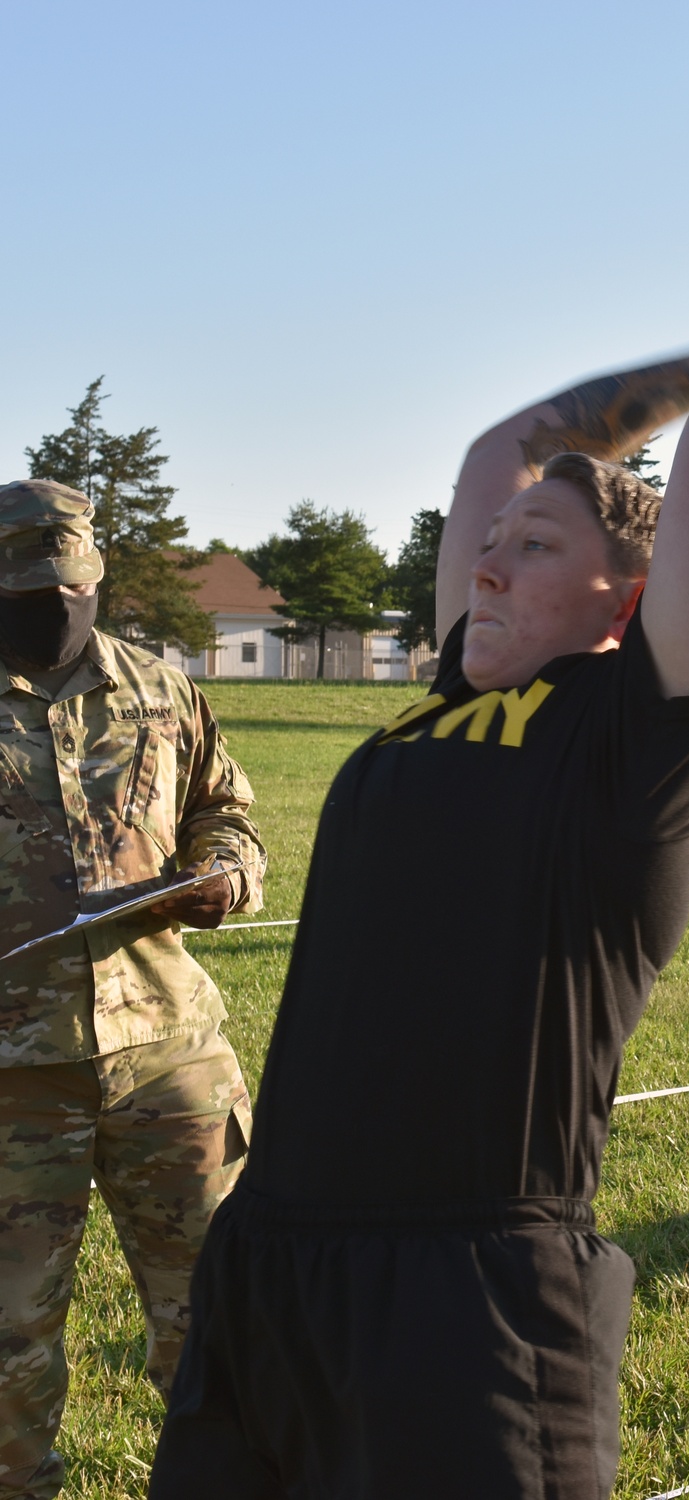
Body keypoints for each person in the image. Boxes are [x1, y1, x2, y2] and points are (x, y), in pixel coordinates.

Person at [149, 298, 689, 1500]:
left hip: (468, 1293)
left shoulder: (642, 737)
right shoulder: (457, 688)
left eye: (538, 548)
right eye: (493, 543)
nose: (489, 560)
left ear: (629, 604)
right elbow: (499, 451)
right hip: (269, 1262)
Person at [0, 480, 267, 1500]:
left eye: (70, 587)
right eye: (27, 590)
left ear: (95, 576)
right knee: (8, 1348)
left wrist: (223, 874)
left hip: (171, 1057)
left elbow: (223, 811)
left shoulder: (161, 689)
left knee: (228, 1325)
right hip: (14, 1081)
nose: (53, 607)